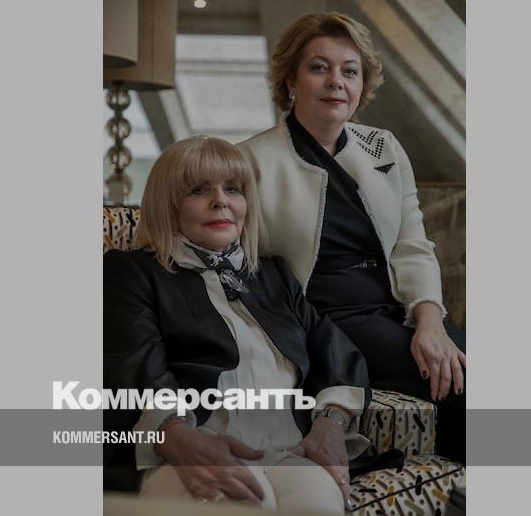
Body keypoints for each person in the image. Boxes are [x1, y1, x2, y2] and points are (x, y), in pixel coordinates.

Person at [238, 12, 466, 462]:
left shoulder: (384, 147)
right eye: (318, 67)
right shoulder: (250, 161)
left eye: (349, 71)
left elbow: (412, 244)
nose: (336, 82)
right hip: (326, 323)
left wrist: (430, 320)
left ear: (362, 85)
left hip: (394, 309)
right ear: (290, 80)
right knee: (461, 380)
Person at [103, 136, 370, 514]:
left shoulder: (273, 275)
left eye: (233, 189)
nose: (220, 201)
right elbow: (132, 363)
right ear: (167, 204)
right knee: (248, 502)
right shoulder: (132, 273)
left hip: (286, 450)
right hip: (181, 451)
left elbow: (333, 348)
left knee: (320, 505)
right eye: (198, 190)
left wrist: (330, 422)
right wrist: (174, 433)